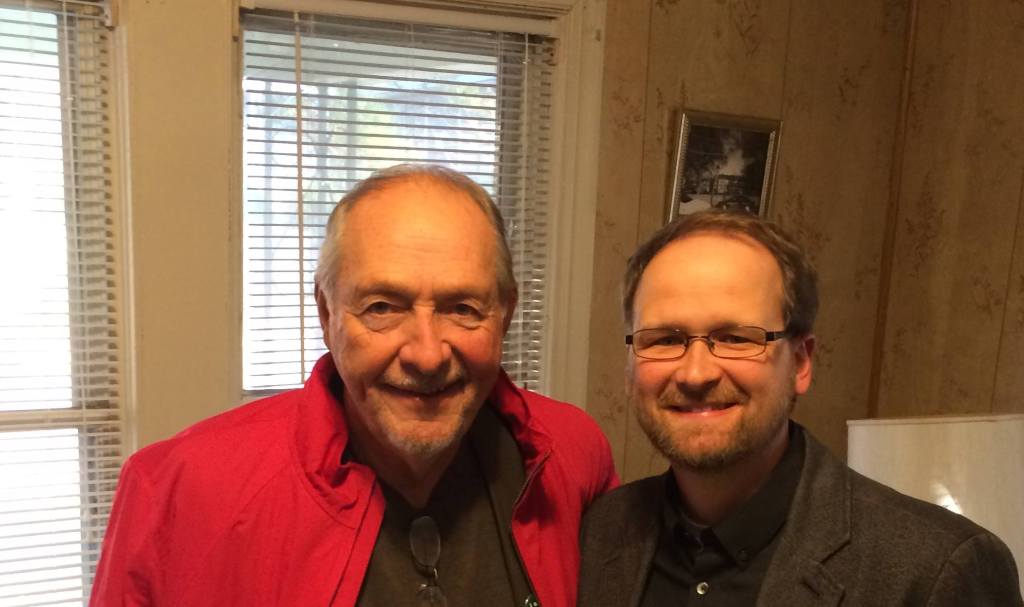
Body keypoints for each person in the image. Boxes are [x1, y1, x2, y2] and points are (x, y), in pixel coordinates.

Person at [91, 164, 617, 607]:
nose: (427, 354)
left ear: (505, 315)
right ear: (327, 314)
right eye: (382, 307)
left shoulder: (573, 456)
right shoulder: (180, 490)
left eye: (462, 308)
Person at [577, 210, 1022, 606]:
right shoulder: (599, 532)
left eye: (735, 338)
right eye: (664, 340)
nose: (696, 374)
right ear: (630, 365)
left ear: (801, 363)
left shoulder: (937, 570)